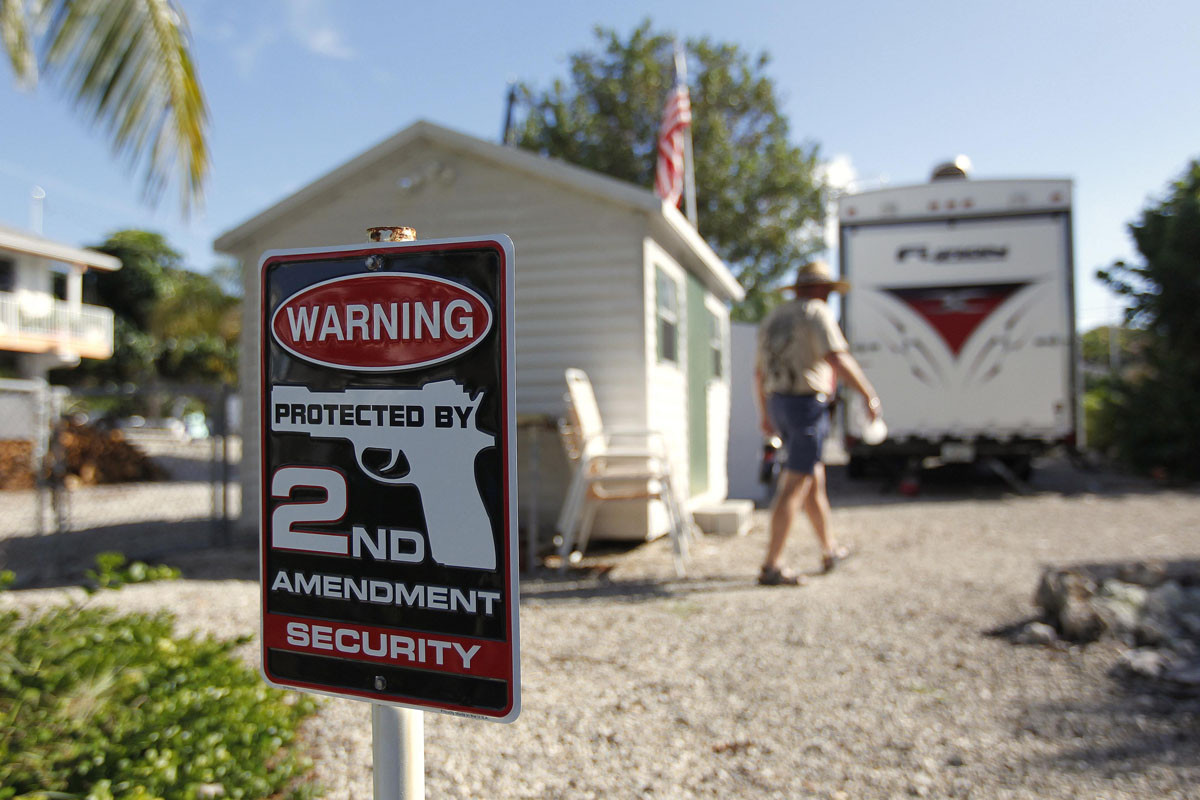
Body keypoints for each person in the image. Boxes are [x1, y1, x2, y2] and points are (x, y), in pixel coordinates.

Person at [753, 260, 881, 586]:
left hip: (779, 403)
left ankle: (829, 549)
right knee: (795, 484)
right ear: (823, 289)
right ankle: (772, 565)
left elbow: (758, 373)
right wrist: (868, 395)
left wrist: (765, 414)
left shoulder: (773, 318)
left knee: (814, 478)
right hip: (805, 405)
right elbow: (836, 357)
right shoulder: (816, 313)